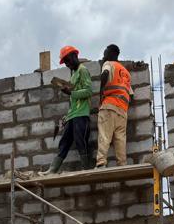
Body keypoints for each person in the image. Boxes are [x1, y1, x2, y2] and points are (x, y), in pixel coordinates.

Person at [46, 45, 93, 175]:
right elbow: (73, 101)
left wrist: (71, 93)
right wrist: (67, 116)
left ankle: (86, 168)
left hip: (81, 114)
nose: (66, 64)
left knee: (80, 141)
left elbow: (89, 91)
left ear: (74, 56)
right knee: (64, 142)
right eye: (65, 62)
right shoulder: (73, 74)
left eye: (67, 60)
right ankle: (53, 169)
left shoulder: (83, 70)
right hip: (73, 115)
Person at [95, 44, 132, 168]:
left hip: (109, 106)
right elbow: (130, 94)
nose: (103, 56)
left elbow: (105, 74)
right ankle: (122, 165)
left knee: (104, 136)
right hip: (123, 111)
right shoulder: (126, 72)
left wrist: (101, 95)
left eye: (105, 53)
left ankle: (101, 163)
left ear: (111, 53)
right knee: (120, 140)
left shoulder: (108, 64)